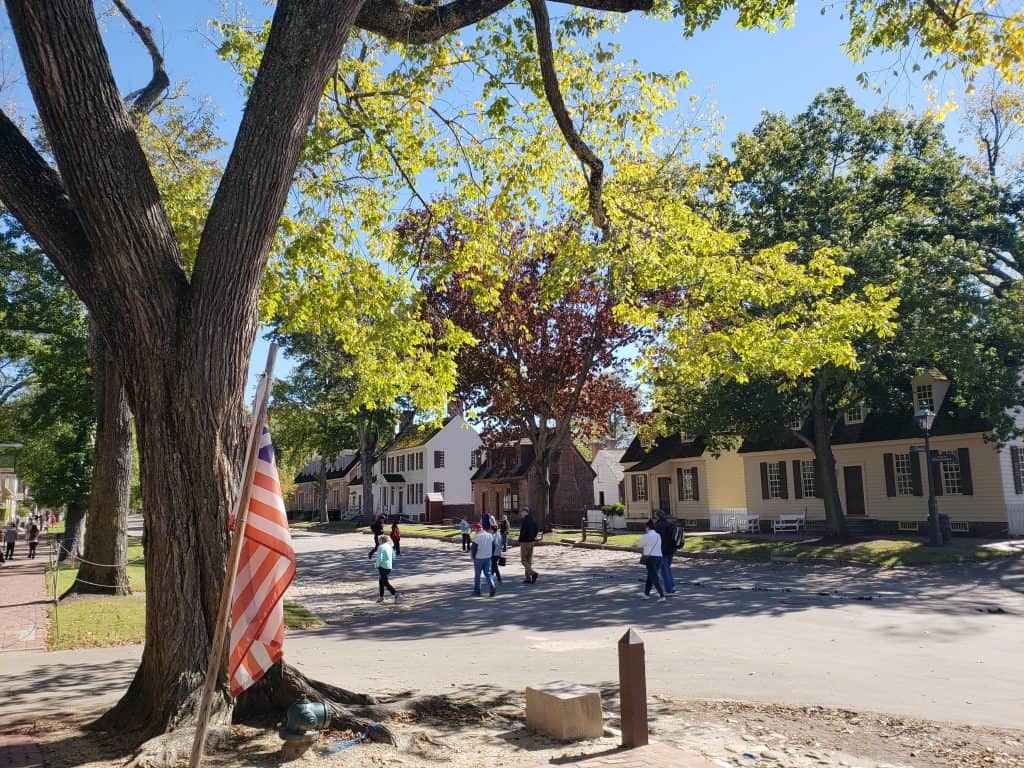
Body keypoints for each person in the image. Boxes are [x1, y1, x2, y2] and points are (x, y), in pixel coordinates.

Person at [638, 519, 666, 601]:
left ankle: (662, 595)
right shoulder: (658, 535)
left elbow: (639, 545)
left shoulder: (646, 536)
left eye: (645, 527)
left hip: (650, 558)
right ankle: (646, 594)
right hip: (659, 557)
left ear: (647, 527)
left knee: (654, 577)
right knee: (650, 576)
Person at [653, 509, 678, 594]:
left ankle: (669, 589)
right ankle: (672, 586)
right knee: (668, 569)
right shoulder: (670, 524)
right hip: (670, 550)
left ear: (658, 516)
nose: (654, 517)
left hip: (662, 551)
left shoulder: (657, 526)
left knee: (664, 571)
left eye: (655, 515)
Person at [471, 523, 497, 597]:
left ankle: (477, 591)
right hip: (488, 557)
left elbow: (474, 549)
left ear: (477, 529)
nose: (474, 531)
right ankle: (492, 585)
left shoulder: (477, 537)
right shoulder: (489, 535)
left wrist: (473, 557)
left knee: (477, 575)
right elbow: (493, 546)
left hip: (479, 558)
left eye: (474, 529)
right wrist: (491, 554)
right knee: (488, 573)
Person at [375, 534, 399, 603]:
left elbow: (380, 557)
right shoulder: (389, 546)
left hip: (382, 566)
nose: (378, 541)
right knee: (381, 581)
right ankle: (381, 596)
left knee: (385, 582)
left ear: (381, 540)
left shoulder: (380, 547)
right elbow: (394, 556)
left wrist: (377, 565)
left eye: (379, 540)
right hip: (389, 565)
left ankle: (395, 593)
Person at [518, 507, 539, 584]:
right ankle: (527, 578)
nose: (521, 513)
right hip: (531, 542)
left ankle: (533, 573)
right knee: (528, 560)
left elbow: (523, 532)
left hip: (525, 542)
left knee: (523, 560)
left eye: (522, 512)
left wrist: (520, 539)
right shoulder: (533, 520)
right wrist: (533, 537)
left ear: (526, 512)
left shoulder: (524, 521)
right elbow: (537, 529)